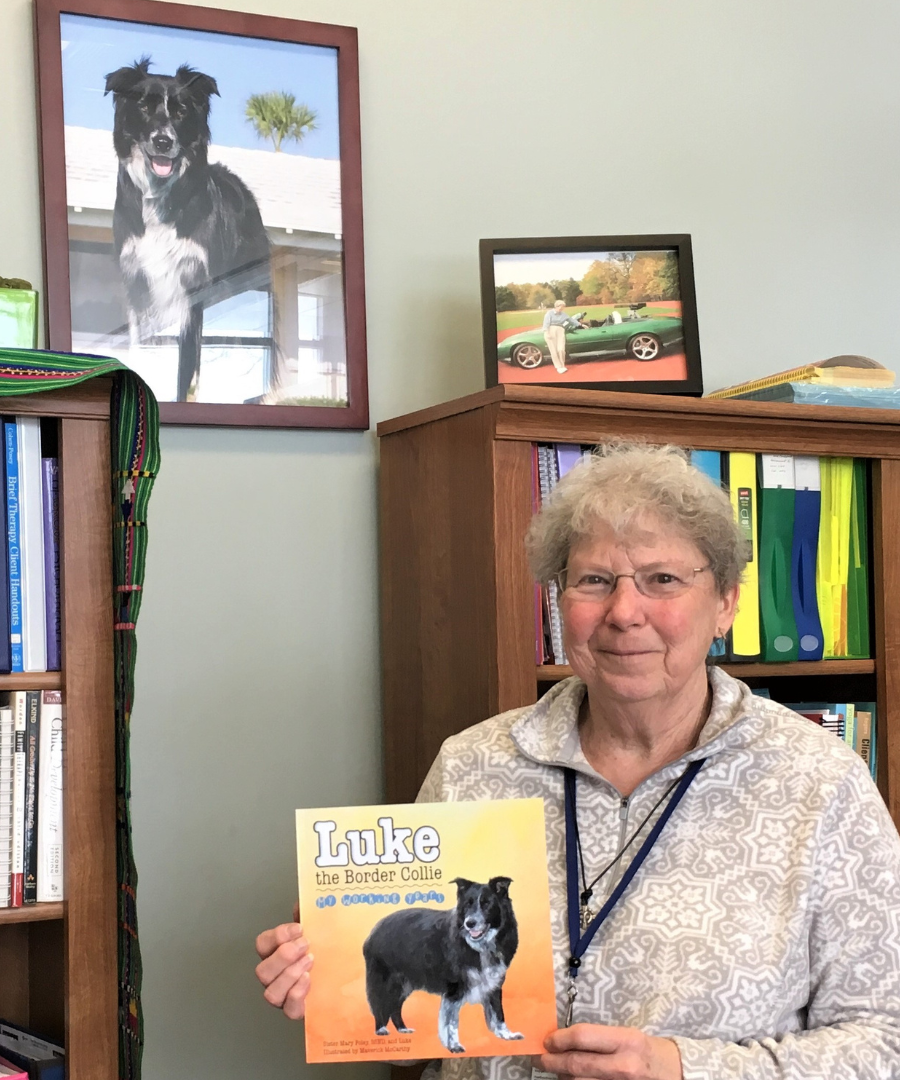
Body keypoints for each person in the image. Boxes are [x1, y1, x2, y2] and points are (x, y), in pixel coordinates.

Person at [256, 441, 900, 1080]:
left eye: (663, 580)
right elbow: (430, 1007)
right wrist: (338, 969)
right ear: (560, 601)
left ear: (726, 602)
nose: (624, 613)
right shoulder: (473, 763)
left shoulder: (819, 783)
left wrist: (684, 1067)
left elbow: (885, 1041)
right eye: (594, 581)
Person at [542, 299, 581, 374]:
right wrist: (547, 333)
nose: (562, 308)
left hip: (560, 330)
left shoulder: (564, 314)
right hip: (551, 330)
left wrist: (580, 324)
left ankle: (562, 365)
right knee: (554, 350)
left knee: (561, 349)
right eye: (561, 307)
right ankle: (558, 367)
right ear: (556, 306)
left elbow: (571, 320)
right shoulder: (549, 313)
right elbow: (546, 323)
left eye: (563, 307)